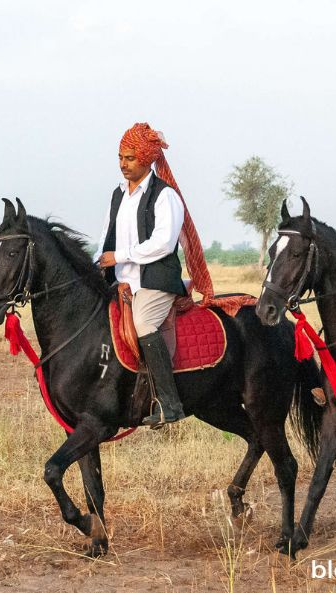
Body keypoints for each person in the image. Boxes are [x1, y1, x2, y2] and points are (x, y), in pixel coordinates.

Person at [93, 123, 187, 427]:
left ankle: (170, 404)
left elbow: (163, 243)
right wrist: (99, 260)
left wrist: (119, 256)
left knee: (144, 323)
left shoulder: (165, 196)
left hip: (156, 280)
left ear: (147, 159)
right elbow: (107, 234)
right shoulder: (117, 194)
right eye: (121, 157)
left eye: (130, 158)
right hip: (120, 281)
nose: (123, 164)